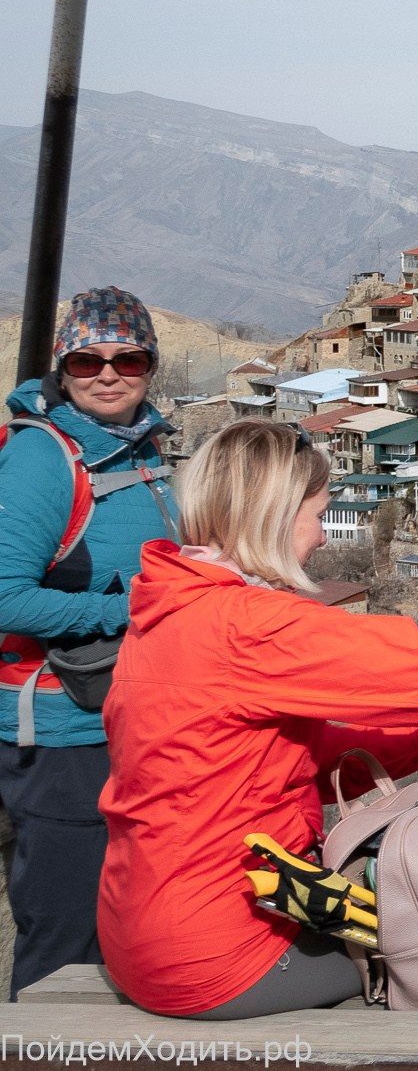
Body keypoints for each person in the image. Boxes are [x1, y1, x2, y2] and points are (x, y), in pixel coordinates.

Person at [97, 420, 418, 1019]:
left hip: (143, 932)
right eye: (319, 514)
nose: (323, 537)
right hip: (217, 952)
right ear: (274, 512)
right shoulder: (244, 624)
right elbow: (412, 667)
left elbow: (288, 768)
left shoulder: (171, 611)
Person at [0, 288, 179, 998]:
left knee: (122, 924)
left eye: (127, 357)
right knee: (63, 934)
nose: (108, 373)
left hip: (127, 717)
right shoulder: (45, 458)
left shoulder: (142, 445)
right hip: (60, 732)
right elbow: (4, 595)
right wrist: (127, 608)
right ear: (61, 366)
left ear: (150, 365)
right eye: (86, 358)